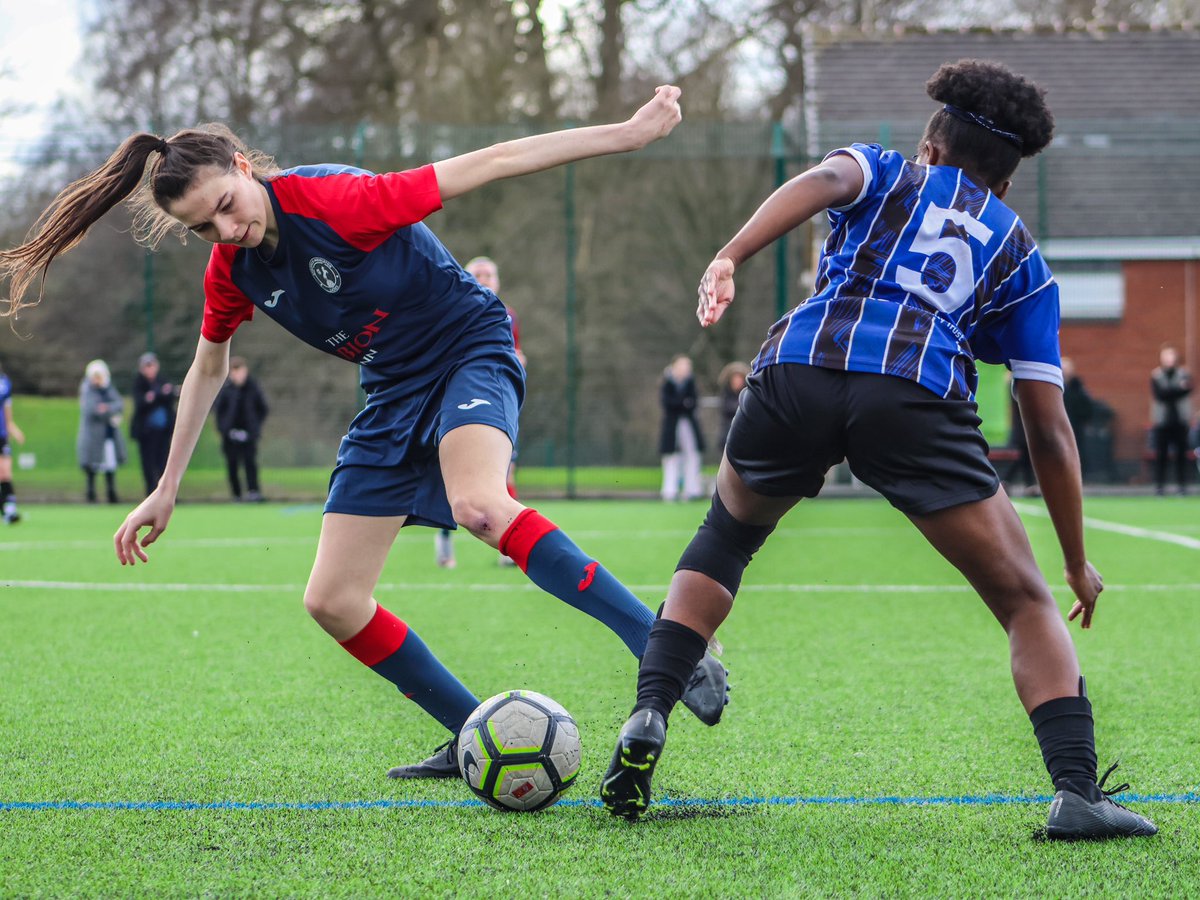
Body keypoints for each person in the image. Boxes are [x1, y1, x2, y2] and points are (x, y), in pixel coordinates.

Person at [0, 86, 727, 781]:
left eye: (225, 206)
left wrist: (628, 135)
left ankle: (665, 646)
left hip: (468, 348)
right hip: (389, 393)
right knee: (332, 599)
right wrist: (165, 489)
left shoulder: (338, 199)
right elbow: (206, 370)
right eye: (203, 228)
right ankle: (475, 730)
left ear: (244, 168)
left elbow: (494, 159)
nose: (225, 230)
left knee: (478, 505)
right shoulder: (232, 271)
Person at [600, 60, 1157, 841]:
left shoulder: (888, 170)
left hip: (798, 366)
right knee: (1026, 602)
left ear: (932, 143)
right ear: (1006, 178)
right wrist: (1073, 559)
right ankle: (1076, 792)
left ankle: (649, 713)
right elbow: (1048, 426)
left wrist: (730, 254)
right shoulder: (1022, 258)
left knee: (725, 534)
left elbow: (822, 183)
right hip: (915, 393)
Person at [433, 255, 524, 569]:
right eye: (478, 274)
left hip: (498, 401)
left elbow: (514, 354)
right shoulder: (451, 311)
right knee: (454, 480)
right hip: (459, 403)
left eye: (490, 274)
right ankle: (444, 539)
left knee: (506, 473)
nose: (485, 279)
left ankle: (506, 548)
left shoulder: (507, 316)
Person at [214, 356, 269, 502]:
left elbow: (263, 409)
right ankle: (236, 494)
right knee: (232, 464)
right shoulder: (225, 390)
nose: (239, 375)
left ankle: (253, 491)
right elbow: (219, 412)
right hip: (230, 435)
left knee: (250, 462)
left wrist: (254, 428)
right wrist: (226, 430)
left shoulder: (253, 388)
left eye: (241, 371)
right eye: (235, 372)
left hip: (249, 434)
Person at [77, 359, 127, 504]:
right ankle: (91, 494)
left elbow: (119, 404)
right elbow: (92, 410)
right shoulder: (87, 389)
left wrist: (106, 408)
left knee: (110, 464)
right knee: (92, 465)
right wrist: (109, 411)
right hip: (93, 436)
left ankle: (112, 494)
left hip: (108, 435)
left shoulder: (108, 388)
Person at [130, 351, 176, 495]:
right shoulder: (138, 383)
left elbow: (169, 396)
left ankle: (166, 494)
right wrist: (158, 395)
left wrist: (155, 396)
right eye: (146, 366)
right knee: (148, 464)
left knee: (164, 463)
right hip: (147, 433)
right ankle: (150, 493)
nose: (150, 369)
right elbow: (141, 403)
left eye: (152, 365)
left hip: (163, 431)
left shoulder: (163, 380)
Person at [659, 354, 705, 501]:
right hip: (671, 426)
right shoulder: (667, 383)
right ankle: (669, 491)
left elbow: (693, 402)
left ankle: (692, 490)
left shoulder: (691, 383)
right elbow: (669, 404)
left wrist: (683, 403)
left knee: (692, 455)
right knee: (671, 458)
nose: (685, 369)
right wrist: (683, 403)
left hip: (689, 424)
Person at [1150, 344, 1192, 495]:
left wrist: (1173, 391)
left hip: (1180, 421)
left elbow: (1187, 390)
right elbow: (1160, 395)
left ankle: (1182, 486)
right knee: (1161, 455)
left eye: (1171, 356)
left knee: (1181, 455)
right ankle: (1160, 486)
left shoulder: (1183, 374)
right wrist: (1178, 390)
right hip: (1163, 422)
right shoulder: (1156, 375)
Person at [0, 358, 25, 524]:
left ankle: (9, 510)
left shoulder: (4, 382)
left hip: (1, 434)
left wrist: (11, 426)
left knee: (5, 472)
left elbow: (7, 407)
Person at [1060, 357, 1095, 477]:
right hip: (1059, 426)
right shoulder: (1055, 386)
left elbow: (1088, 406)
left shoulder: (1078, 387)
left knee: (1076, 452)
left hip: (1075, 426)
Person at [716, 361, 749, 454]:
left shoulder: (748, 394)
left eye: (739, 378)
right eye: (734, 378)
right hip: (727, 430)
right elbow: (726, 409)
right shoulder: (726, 394)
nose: (737, 381)